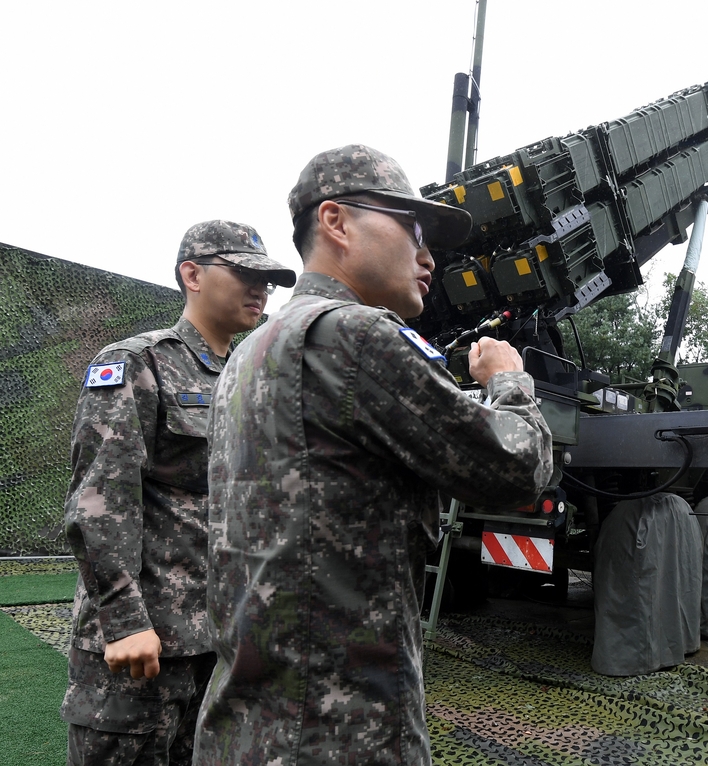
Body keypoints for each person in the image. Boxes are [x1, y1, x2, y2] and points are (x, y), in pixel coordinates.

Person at [193, 144, 555, 765]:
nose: (427, 255)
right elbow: (516, 468)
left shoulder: (253, 350)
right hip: (342, 734)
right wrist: (508, 380)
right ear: (335, 222)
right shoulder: (356, 334)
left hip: (249, 726)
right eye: (411, 228)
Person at [60, 221, 295, 765]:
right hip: (145, 643)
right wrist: (124, 620)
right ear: (192, 274)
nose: (260, 289)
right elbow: (99, 499)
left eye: (269, 280)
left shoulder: (248, 377)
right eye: (244, 274)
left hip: (220, 640)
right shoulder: (136, 362)